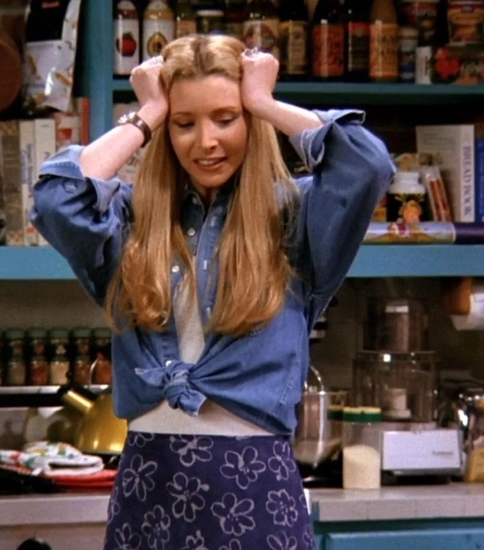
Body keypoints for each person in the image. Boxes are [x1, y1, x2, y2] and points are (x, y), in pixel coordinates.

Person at [31, 34, 394, 550]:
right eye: (185, 123)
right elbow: (56, 200)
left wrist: (264, 102)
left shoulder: (294, 219)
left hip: (256, 488)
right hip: (148, 487)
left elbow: (367, 165)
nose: (206, 142)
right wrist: (147, 114)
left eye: (226, 119)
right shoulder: (133, 222)